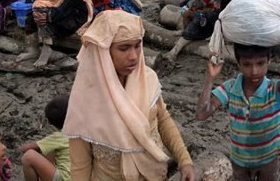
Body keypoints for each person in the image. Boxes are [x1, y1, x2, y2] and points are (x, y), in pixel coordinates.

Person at [64, 11, 195, 181]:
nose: (133, 56)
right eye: (124, 48)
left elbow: (163, 120)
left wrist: (184, 161)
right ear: (103, 52)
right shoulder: (86, 97)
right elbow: (80, 166)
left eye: (137, 45)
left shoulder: (147, 79)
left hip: (154, 174)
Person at [195, 15, 280, 181]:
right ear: (238, 63)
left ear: (269, 61)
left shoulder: (275, 90)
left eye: (260, 63)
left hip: (269, 159)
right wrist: (210, 78)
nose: (254, 71)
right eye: (247, 64)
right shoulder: (230, 88)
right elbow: (202, 114)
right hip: (239, 161)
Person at [21, 95, 71, 181]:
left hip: (66, 179)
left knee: (29, 156)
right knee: (49, 149)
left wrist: (41, 146)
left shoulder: (58, 137)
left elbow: (25, 149)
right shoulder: (84, 132)